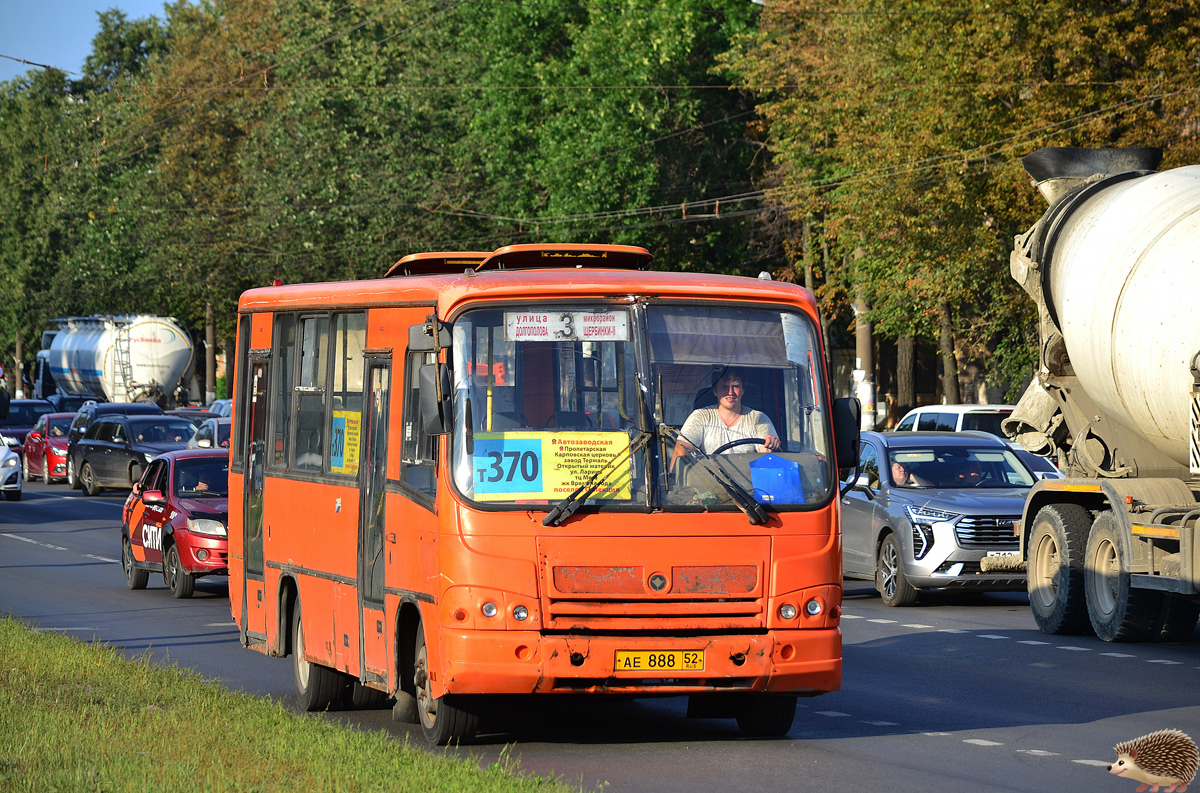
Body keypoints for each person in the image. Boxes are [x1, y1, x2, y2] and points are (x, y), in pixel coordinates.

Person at [672, 369, 780, 469]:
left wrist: (769, 446)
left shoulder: (758, 418)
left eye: (736, 386)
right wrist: (676, 483)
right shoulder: (700, 417)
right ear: (715, 391)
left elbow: (766, 453)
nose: (730, 392)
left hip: (749, 485)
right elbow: (681, 451)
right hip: (710, 484)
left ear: (743, 390)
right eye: (724, 387)